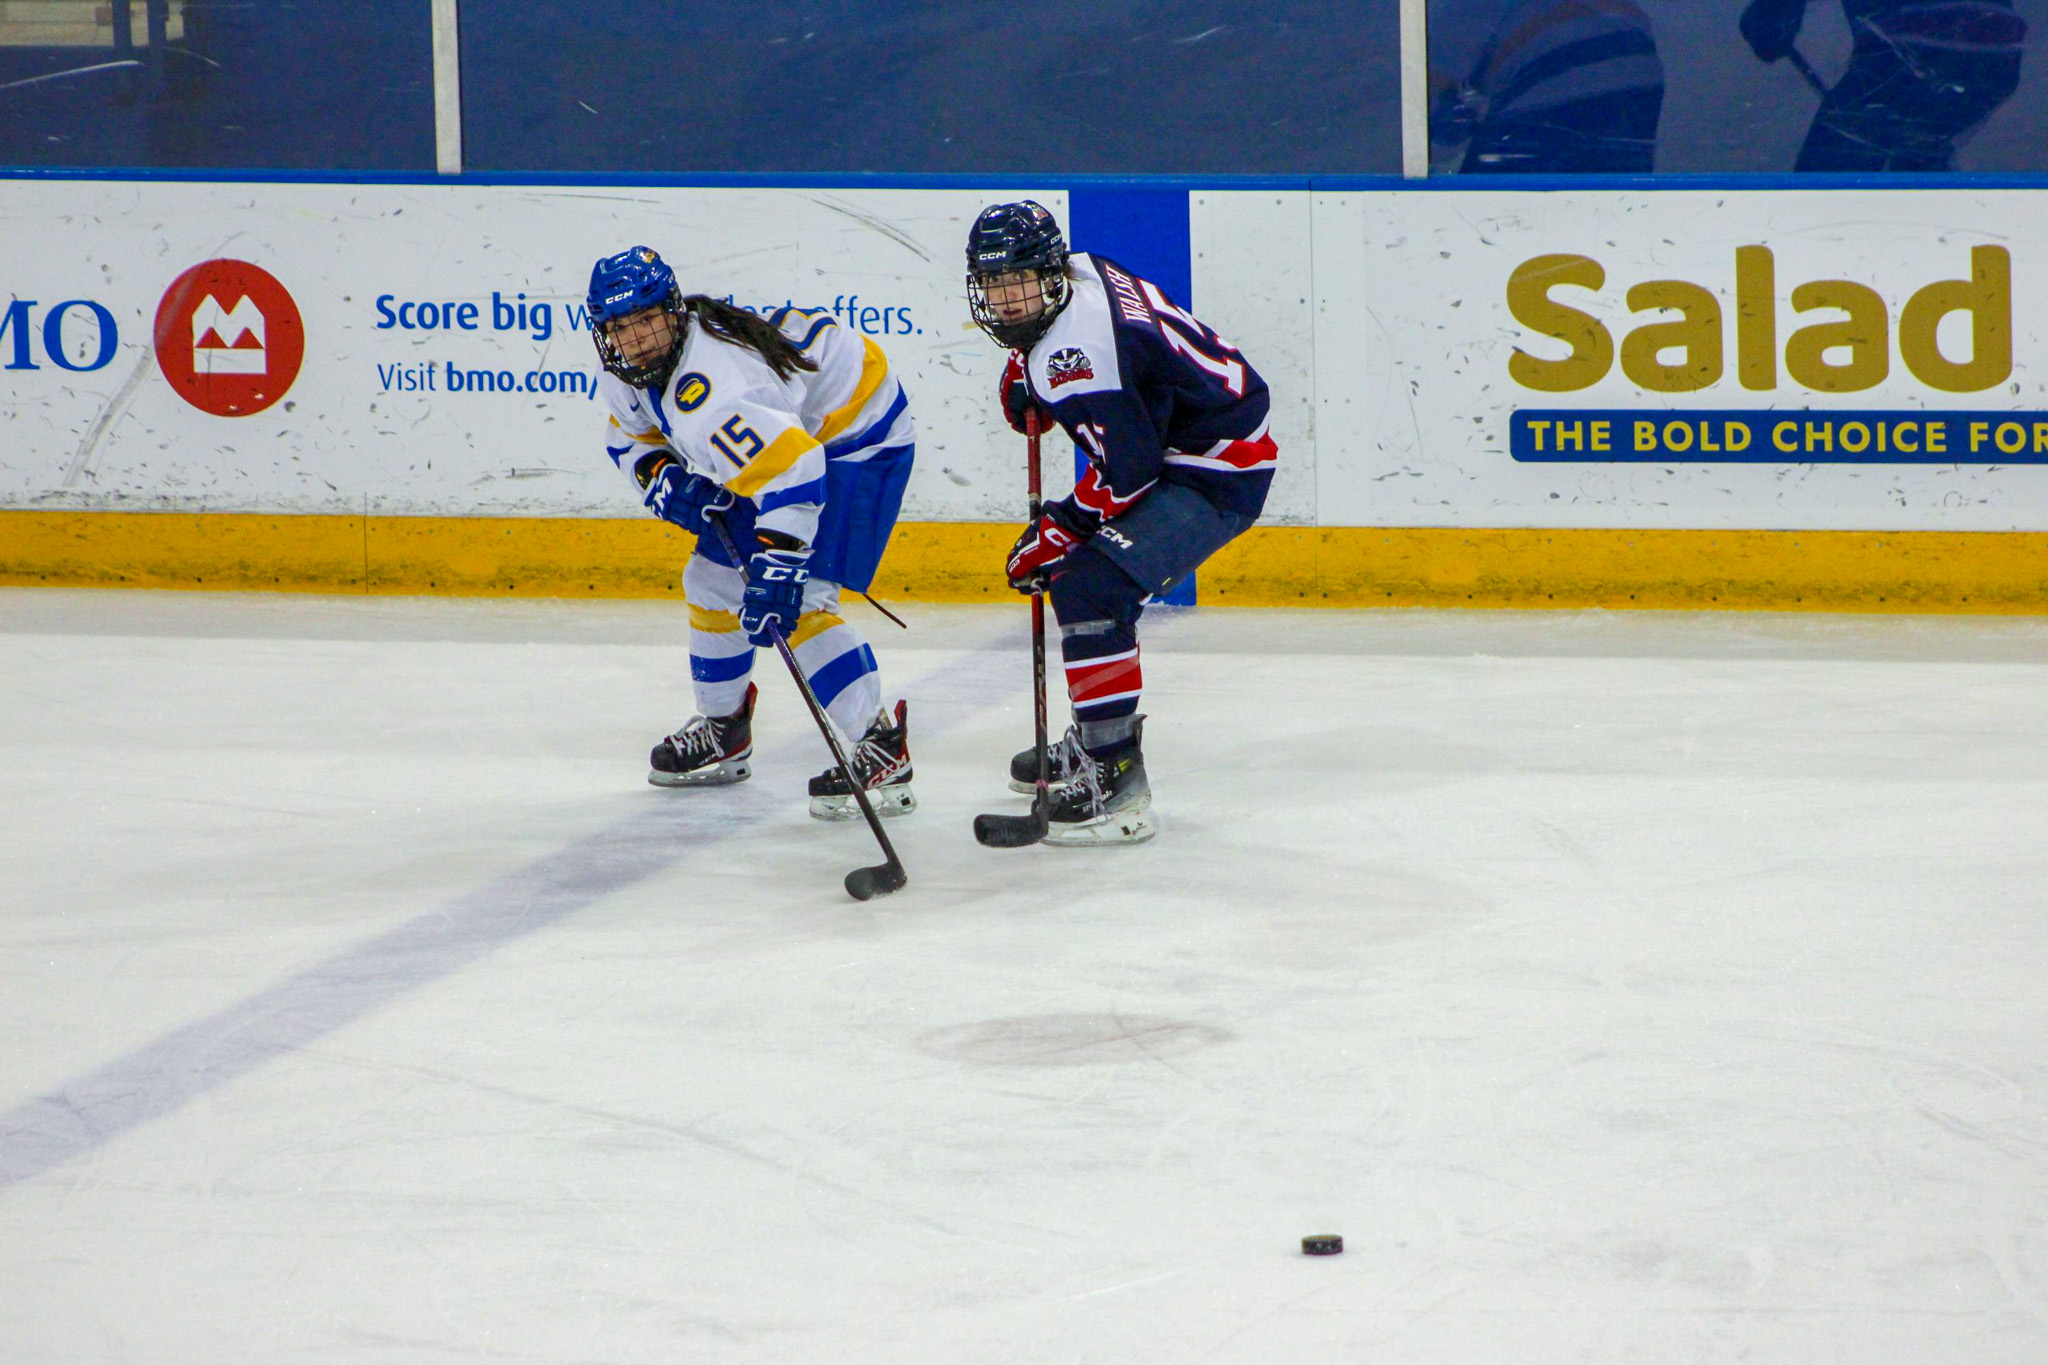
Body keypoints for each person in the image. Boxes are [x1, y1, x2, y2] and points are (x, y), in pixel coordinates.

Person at [965, 201, 1275, 847]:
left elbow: (1125, 472)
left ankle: (1115, 777)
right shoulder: (1080, 272)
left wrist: (1057, 531)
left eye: (1018, 280)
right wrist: (1029, 370)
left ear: (1049, 273)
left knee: (1090, 586)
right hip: (1186, 438)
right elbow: (1125, 371)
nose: (1007, 299)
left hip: (1216, 470)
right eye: (994, 284)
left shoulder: (1079, 349)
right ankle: (1095, 736)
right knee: (1084, 582)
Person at [586, 246, 917, 819]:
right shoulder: (631, 373)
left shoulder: (716, 390)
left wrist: (782, 567)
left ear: (671, 310)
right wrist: (661, 477)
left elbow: (797, 471)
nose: (636, 338)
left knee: (803, 602)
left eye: (646, 319)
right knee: (713, 581)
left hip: (855, 435)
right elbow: (626, 437)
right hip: (795, 438)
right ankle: (724, 730)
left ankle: (880, 745)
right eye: (620, 327)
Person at [1740, 0, 2027, 171]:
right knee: (1908, 157)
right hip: (1994, 53)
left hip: (1912, 53)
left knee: (1824, 181)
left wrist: (1768, 20)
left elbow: (1769, 26)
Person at [1429, 0, 1665, 175]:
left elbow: (1440, 129)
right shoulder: (1628, 15)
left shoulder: (1469, 11)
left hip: (1541, 132)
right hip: (1631, 127)